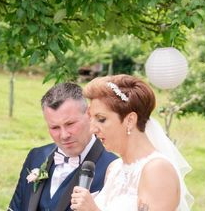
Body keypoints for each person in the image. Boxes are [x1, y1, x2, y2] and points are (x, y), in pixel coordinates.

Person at [70, 74, 193, 211]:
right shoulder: (113, 169)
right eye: (91, 118)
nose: (92, 129)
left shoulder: (157, 170)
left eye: (101, 119)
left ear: (130, 120)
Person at [8, 82, 117, 211]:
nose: (64, 135)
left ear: (89, 115)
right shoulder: (36, 156)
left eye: (70, 124)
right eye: (54, 127)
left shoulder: (114, 169)